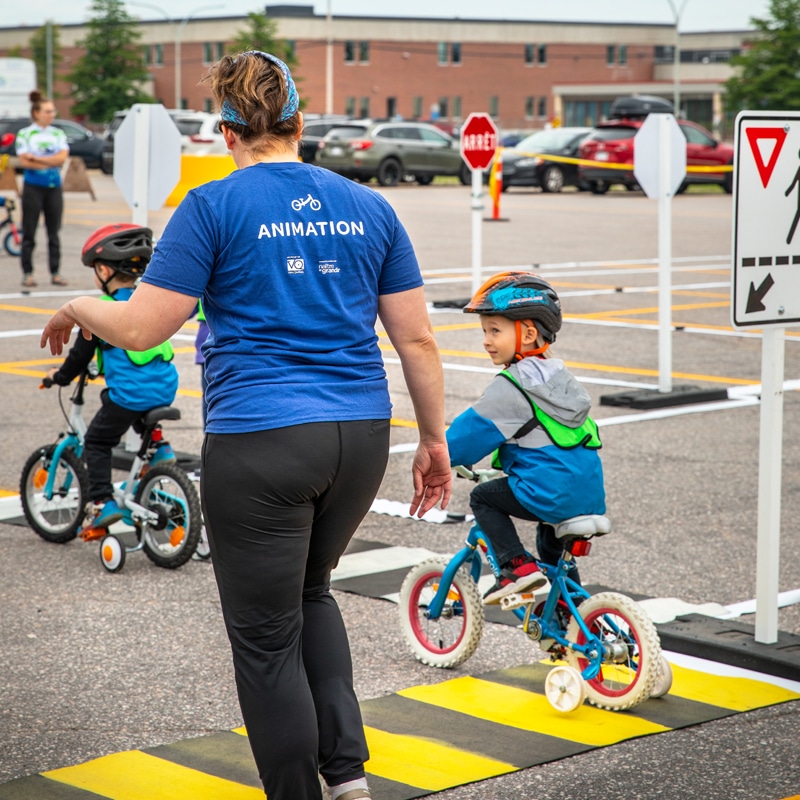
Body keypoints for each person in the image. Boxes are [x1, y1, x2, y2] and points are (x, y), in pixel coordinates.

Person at [40, 51, 451, 800]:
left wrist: (76, 306)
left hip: (263, 439)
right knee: (313, 593)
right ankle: (348, 780)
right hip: (359, 435)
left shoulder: (214, 206)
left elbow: (140, 328)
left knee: (265, 643)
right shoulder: (369, 206)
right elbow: (417, 339)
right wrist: (433, 439)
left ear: (227, 130)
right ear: (300, 124)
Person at [445, 271, 606, 605]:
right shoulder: (561, 377)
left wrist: (441, 455)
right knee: (552, 549)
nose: (486, 340)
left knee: (484, 498)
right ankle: (569, 616)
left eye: (495, 330)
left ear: (529, 334)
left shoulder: (512, 386)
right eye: (485, 331)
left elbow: (467, 436)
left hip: (549, 492)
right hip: (588, 493)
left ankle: (515, 567)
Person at [45, 223, 179, 532]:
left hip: (133, 393)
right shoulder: (146, 304)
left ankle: (102, 502)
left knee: (97, 439)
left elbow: (79, 357)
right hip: (165, 386)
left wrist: (60, 377)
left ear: (104, 270)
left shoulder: (102, 311)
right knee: (125, 401)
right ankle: (159, 447)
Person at [16, 90, 69, 288]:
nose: (52, 115)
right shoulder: (25, 134)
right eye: (47, 111)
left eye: (53, 111)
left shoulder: (58, 133)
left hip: (54, 187)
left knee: (54, 231)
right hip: (33, 187)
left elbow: (62, 159)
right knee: (29, 231)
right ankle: (27, 272)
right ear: (36, 113)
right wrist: (50, 161)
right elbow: (25, 162)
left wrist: (37, 158)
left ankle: (55, 271)